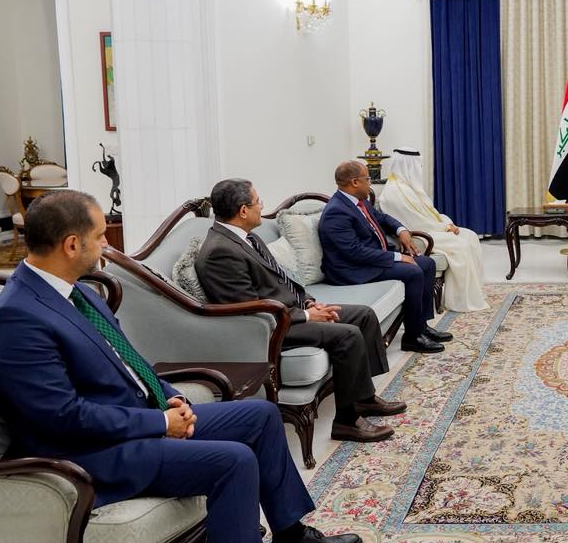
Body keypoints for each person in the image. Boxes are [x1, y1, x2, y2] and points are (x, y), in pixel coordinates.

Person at [0, 190, 358, 543]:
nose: (108, 245)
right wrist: (159, 424)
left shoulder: (72, 291)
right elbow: (63, 419)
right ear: (72, 245)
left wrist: (170, 399)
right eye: (100, 236)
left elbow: (126, 360)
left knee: (259, 416)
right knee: (233, 461)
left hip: (132, 423)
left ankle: (290, 541)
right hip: (89, 455)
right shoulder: (16, 318)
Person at [194, 178, 407, 444]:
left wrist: (308, 303)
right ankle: (347, 423)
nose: (262, 206)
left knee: (363, 315)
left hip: (289, 312)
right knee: (348, 335)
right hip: (272, 329)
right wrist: (306, 316)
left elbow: (283, 280)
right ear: (243, 211)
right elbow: (251, 310)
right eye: (258, 201)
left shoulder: (247, 237)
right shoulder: (220, 252)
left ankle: (363, 398)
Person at [317, 160, 452, 352]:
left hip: (370, 260)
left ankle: (421, 327)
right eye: (367, 178)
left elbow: (383, 218)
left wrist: (401, 230)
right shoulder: (336, 211)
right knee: (413, 271)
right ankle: (412, 338)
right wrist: (398, 257)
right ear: (355, 182)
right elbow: (354, 251)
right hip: (352, 269)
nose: (370, 183)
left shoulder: (359, 201)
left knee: (427, 264)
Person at [376, 149, 488, 313]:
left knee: (470, 236)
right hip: (419, 235)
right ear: (409, 166)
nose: (420, 169)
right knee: (460, 245)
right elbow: (415, 222)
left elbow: (430, 213)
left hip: (431, 228)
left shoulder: (408, 187)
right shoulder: (394, 192)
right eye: (418, 166)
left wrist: (447, 223)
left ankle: (472, 294)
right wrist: (446, 228)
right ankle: (459, 299)